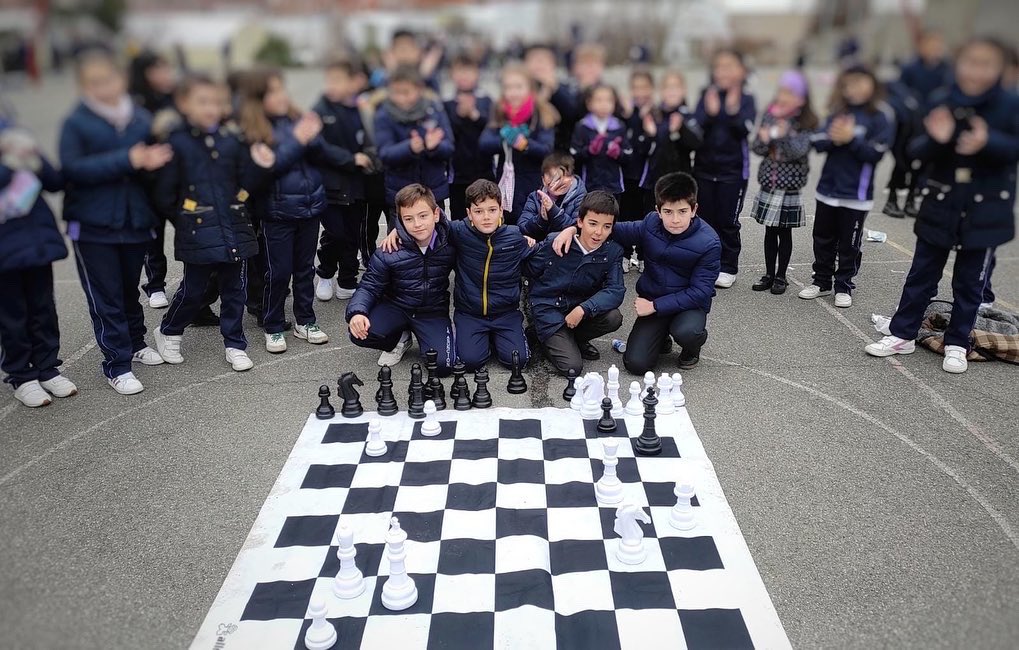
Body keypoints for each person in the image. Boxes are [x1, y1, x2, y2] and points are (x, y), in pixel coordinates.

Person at [865, 37, 1019, 374]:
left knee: (970, 283)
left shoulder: (1011, 104)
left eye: (986, 64)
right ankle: (902, 334)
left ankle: (958, 342)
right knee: (921, 274)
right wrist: (938, 139)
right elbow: (915, 152)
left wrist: (988, 141)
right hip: (941, 204)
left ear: (1000, 69)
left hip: (985, 211)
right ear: (957, 63)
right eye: (970, 61)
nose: (976, 71)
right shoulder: (941, 100)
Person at [60, 49, 172, 395]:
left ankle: (136, 343)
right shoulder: (76, 123)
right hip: (93, 225)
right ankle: (117, 364)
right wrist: (129, 159)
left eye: (109, 79)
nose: (104, 87)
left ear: (121, 79)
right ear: (82, 86)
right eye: (94, 82)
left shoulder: (140, 118)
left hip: (135, 220)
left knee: (127, 290)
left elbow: (153, 167)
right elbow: (72, 169)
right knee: (105, 296)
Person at [150, 74, 275, 372]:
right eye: (202, 101)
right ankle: (169, 330)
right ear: (184, 103)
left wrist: (261, 168)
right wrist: (186, 218)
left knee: (235, 291)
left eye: (217, 102)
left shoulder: (231, 140)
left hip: (235, 226)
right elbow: (165, 194)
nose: (211, 108)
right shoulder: (177, 142)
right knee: (193, 290)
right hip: (198, 229)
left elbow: (246, 183)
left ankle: (235, 344)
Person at [554, 173, 719, 374]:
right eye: (668, 212)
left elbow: (700, 292)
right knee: (636, 364)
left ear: (694, 210)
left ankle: (692, 348)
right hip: (654, 300)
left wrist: (654, 306)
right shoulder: (651, 224)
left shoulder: (709, 242)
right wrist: (572, 229)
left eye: (682, 211)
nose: (675, 219)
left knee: (687, 331)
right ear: (658, 211)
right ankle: (661, 338)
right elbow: (610, 228)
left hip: (687, 306)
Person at [380, 179, 531, 370]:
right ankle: (480, 338)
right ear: (469, 213)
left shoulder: (514, 236)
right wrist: (399, 231)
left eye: (492, 210)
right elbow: (431, 222)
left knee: (518, 361)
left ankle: (500, 338)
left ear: (501, 210)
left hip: (506, 313)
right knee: (470, 362)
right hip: (470, 313)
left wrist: (549, 236)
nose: (486, 217)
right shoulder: (459, 231)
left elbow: (539, 253)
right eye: (478, 211)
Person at [238, 68, 340, 353]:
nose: (281, 96)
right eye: (272, 92)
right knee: (278, 273)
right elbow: (269, 168)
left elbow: (320, 154)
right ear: (258, 98)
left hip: (309, 208)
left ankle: (305, 320)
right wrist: (299, 140)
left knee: (305, 270)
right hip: (277, 214)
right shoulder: (254, 131)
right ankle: (273, 324)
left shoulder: (296, 119)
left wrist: (314, 135)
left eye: (281, 89)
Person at [799, 64, 893, 308]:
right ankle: (821, 282)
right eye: (849, 83)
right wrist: (834, 138)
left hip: (856, 195)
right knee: (822, 239)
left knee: (849, 244)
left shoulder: (880, 116)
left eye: (861, 82)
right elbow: (817, 141)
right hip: (827, 191)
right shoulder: (837, 111)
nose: (855, 88)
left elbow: (876, 153)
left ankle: (844, 285)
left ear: (872, 85)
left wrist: (851, 139)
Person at [0, 114, 77, 407]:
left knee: (43, 308)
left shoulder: (14, 136)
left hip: (36, 242)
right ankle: (21, 376)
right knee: (12, 315)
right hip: (5, 248)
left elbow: (54, 182)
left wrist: (33, 157)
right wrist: (10, 163)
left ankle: (48, 368)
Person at [346, 183, 455, 374]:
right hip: (397, 307)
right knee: (360, 333)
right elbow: (369, 286)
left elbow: (476, 226)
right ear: (400, 221)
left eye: (423, 216)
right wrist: (357, 312)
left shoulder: (451, 240)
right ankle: (399, 338)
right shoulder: (389, 249)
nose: (417, 224)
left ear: (436, 214)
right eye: (408, 219)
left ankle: (431, 336)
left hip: (432, 311)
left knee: (442, 367)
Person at [524, 190, 624, 376]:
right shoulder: (556, 241)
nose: (598, 232)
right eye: (593, 223)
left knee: (613, 317)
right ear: (580, 221)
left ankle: (570, 340)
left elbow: (616, 290)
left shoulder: (612, 252)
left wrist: (584, 309)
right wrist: (525, 245)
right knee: (573, 368)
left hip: (577, 312)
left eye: (606, 226)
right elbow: (528, 269)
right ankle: (542, 335)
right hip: (549, 311)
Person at [311, 57, 377, 303]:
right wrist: (350, 159)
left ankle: (347, 281)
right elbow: (317, 146)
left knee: (352, 234)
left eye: (338, 80)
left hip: (357, 185)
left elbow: (371, 142)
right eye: (329, 80)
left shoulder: (361, 109)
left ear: (354, 82)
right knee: (334, 233)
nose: (332, 85)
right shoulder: (320, 110)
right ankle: (326, 274)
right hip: (330, 186)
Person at [748, 69, 818, 295]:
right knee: (770, 231)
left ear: (802, 98)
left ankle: (781, 275)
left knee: (784, 232)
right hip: (769, 182)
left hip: (790, 186)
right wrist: (764, 139)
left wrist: (781, 135)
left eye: (791, 93)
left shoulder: (804, 122)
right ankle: (769, 273)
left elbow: (798, 151)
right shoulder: (769, 115)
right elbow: (757, 148)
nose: (784, 97)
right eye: (782, 91)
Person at [692, 49, 755, 289]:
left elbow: (745, 129)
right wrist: (709, 114)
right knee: (704, 220)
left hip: (733, 172)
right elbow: (696, 128)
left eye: (730, 66)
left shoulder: (746, 98)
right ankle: (707, 264)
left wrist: (731, 110)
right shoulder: (706, 95)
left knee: (728, 221)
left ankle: (728, 266)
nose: (723, 72)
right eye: (719, 67)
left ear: (742, 71)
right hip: (705, 170)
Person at [128, 50, 178, 309]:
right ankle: (155, 285)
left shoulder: (176, 97)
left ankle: (197, 290)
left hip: (178, 180)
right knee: (153, 236)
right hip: (148, 182)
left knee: (192, 232)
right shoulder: (133, 104)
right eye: (159, 69)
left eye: (167, 68)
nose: (166, 74)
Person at [479, 64, 558, 224]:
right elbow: (484, 144)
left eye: (518, 87)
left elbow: (547, 149)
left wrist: (524, 144)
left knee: (531, 226)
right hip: (506, 184)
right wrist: (504, 139)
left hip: (534, 184)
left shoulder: (541, 112)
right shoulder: (499, 112)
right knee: (507, 229)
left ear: (530, 89)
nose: (513, 92)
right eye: (508, 87)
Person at [374, 65, 454, 221]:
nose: (401, 98)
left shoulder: (434, 110)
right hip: (401, 196)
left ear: (419, 89)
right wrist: (409, 148)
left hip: (433, 193)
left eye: (406, 92)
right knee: (402, 235)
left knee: (437, 234)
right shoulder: (384, 115)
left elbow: (449, 147)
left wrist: (434, 147)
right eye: (395, 92)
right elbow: (384, 153)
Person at [444, 54, 494, 221]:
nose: (464, 76)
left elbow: (492, 128)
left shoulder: (485, 100)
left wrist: (474, 115)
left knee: (485, 215)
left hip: (484, 171)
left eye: (469, 71)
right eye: (460, 71)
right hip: (457, 175)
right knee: (459, 217)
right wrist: (459, 116)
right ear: (452, 74)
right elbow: (446, 133)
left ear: (477, 74)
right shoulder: (447, 103)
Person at [620, 67, 657, 272]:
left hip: (649, 176)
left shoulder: (656, 112)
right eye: (636, 88)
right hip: (628, 174)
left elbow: (657, 141)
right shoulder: (626, 112)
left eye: (644, 87)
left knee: (647, 217)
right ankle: (625, 255)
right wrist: (628, 116)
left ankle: (644, 256)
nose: (640, 92)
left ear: (652, 89)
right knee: (626, 216)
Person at [569, 83, 632, 197]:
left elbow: (628, 155)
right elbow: (574, 155)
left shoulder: (619, 126)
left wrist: (618, 153)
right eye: (599, 100)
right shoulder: (582, 126)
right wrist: (589, 150)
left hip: (613, 186)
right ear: (589, 104)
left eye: (609, 100)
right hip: (589, 186)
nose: (604, 105)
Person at [518, 151, 586, 239]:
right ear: (543, 180)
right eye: (552, 176)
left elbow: (579, 229)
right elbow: (522, 228)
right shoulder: (535, 197)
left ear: (572, 177)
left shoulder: (582, 197)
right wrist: (541, 219)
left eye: (564, 176)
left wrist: (553, 211)